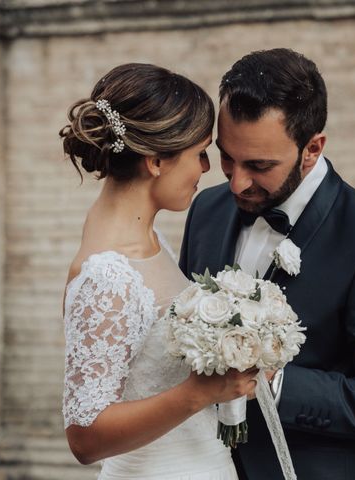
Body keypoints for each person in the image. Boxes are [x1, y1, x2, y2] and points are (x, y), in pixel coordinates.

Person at [179, 48, 355, 480]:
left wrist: (273, 382)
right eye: (226, 157)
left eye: (259, 165)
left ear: (312, 147)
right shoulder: (207, 209)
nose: (236, 181)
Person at [60, 63, 257, 480]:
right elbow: (85, 438)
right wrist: (198, 393)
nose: (206, 168)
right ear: (154, 161)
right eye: (200, 152)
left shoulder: (151, 239)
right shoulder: (106, 276)